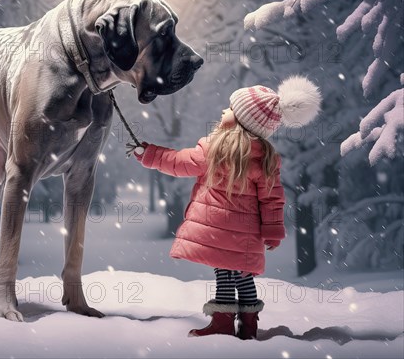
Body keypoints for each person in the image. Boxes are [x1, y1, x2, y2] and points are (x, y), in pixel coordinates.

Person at [129, 76, 322, 339]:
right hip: (246, 236)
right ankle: (248, 325)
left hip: (218, 233)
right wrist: (273, 231)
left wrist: (149, 154)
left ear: (242, 120)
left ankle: (222, 323)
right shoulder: (266, 158)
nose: (224, 111)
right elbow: (272, 198)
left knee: (224, 275)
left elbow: (178, 162)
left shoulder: (214, 149)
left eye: (230, 108)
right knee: (243, 276)